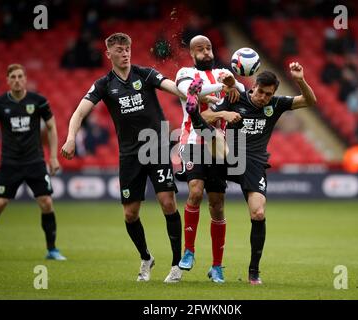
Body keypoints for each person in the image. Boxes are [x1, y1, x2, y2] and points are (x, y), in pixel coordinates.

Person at [61, 32, 184, 283]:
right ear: (109, 54)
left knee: (168, 203)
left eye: (127, 48)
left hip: (157, 146)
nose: (125, 53)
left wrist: (187, 92)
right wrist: (71, 137)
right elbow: (79, 112)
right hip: (129, 154)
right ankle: (146, 257)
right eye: (119, 50)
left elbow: (171, 85)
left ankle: (176, 264)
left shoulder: (145, 74)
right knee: (130, 214)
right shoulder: (104, 84)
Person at [186, 62, 317, 285]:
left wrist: (300, 80)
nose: (264, 97)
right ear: (253, 86)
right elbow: (206, 114)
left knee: (258, 213)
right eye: (261, 92)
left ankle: (253, 272)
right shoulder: (236, 97)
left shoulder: (275, 104)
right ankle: (203, 259)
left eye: (269, 94)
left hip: (253, 161)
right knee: (213, 203)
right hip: (225, 156)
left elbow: (310, 101)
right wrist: (225, 113)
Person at [175, 35, 244, 283]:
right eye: (200, 49)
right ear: (192, 54)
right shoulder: (184, 73)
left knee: (217, 205)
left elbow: (243, 90)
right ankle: (189, 251)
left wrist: (233, 83)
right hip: (192, 141)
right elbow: (191, 92)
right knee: (195, 191)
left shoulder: (224, 72)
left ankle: (217, 266)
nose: (206, 52)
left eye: (209, 48)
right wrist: (224, 88)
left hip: (217, 147)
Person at [0, 64, 66, 261]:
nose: (17, 80)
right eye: (13, 77)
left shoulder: (38, 101)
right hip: (10, 162)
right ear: (7, 80)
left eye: (20, 76)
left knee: (46, 202)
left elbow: (51, 127)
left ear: (25, 79)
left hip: (34, 161)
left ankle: (52, 250)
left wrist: (52, 157)